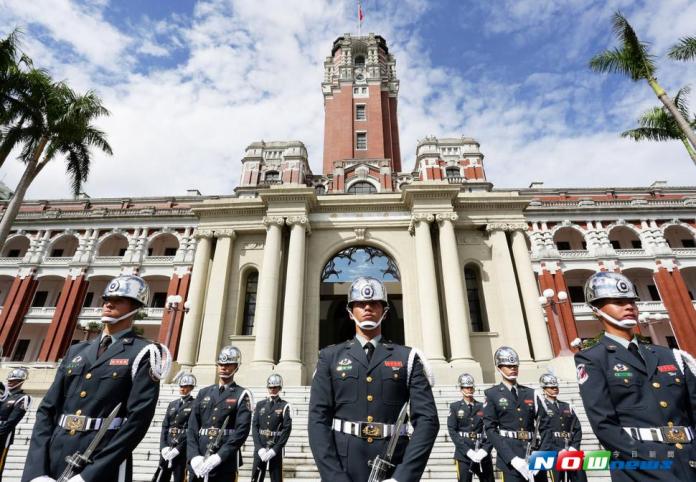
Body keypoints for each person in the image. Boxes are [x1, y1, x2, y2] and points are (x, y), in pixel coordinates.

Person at [22, 274, 169, 482]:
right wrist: (37, 471)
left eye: (119, 300)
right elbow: (47, 410)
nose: (108, 304)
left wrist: (89, 476)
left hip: (99, 459)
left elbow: (137, 421)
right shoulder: (77, 351)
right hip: (55, 455)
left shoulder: (144, 353)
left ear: (135, 308)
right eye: (107, 299)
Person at [308, 276, 439, 482]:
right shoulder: (330, 357)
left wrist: (402, 477)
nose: (368, 307)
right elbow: (318, 421)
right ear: (350, 312)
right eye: (360, 304)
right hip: (345, 467)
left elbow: (427, 420)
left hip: (393, 466)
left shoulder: (407, 358)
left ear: (385, 312)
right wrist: (334, 477)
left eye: (375, 303)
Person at [575, 271, 696, 481]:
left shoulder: (670, 356)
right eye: (618, 302)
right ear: (596, 310)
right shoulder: (593, 359)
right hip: (640, 469)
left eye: (631, 301)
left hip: (688, 462)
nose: (629, 306)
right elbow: (604, 425)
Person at [187, 345, 252, 482]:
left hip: (224, 461)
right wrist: (194, 456)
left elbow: (241, 431)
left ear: (236, 367)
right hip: (199, 458)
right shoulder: (203, 393)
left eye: (228, 364)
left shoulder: (242, 394)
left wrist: (219, 456)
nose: (223, 367)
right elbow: (192, 427)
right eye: (221, 364)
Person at [483, 346, 546, 482]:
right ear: (499, 368)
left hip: (534, 455)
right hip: (511, 460)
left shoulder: (531, 393)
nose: (513, 369)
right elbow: (490, 429)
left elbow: (546, 427)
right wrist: (512, 458)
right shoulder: (492, 394)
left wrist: (541, 456)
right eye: (508, 366)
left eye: (515, 365)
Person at [537, 373, 586, 482]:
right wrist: (557, 450)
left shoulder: (567, 406)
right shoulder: (541, 407)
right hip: (553, 451)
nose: (555, 389)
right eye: (551, 387)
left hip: (570, 449)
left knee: (580, 478)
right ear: (544, 389)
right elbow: (543, 432)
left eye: (556, 387)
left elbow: (577, 428)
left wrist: (574, 447)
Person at [447, 373, 493, 482]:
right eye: (466, 387)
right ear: (461, 389)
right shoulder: (455, 407)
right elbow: (452, 431)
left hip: (481, 452)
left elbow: (491, 429)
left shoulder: (482, 407)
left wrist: (485, 450)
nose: (469, 390)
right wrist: (467, 451)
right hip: (464, 454)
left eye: (471, 387)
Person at [154, 373, 197, 482]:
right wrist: (163, 446)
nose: (182, 389)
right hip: (168, 446)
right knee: (161, 477)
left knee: (179, 477)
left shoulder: (195, 404)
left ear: (191, 388)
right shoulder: (173, 404)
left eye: (185, 387)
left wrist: (178, 449)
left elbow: (191, 429)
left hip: (182, 449)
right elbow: (165, 426)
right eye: (181, 386)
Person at [250, 373, 292, 482]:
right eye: (270, 387)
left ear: (279, 388)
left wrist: (275, 450)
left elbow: (286, 430)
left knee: (276, 477)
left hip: (275, 445)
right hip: (261, 444)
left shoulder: (284, 406)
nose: (272, 389)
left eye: (275, 387)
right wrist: (259, 448)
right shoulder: (260, 405)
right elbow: (255, 427)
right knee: (256, 477)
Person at [0, 368, 31, 482]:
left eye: (13, 380)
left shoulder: (23, 398)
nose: (9, 382)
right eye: (9, 380)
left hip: (3, 436)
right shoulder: (4, 395)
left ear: (20, 381)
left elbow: (12, 421)